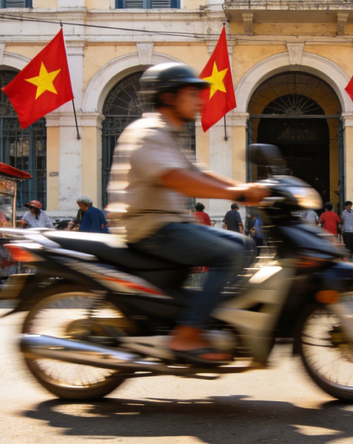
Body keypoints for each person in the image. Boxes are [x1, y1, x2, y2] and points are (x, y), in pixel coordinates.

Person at [106, 63, 267, 365]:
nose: (199, 100)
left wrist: (245, 187)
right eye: (191, 92)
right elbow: (176, 178)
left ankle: (209, 318)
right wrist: (237, 194)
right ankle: (188, 334)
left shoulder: (169, 134)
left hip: (168, 224)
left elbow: (199, 172)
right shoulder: (148, 132)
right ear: (168, 97)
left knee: (245, 245)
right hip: (150, 227)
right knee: (230, 254)